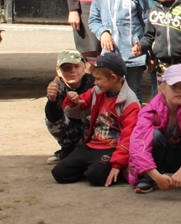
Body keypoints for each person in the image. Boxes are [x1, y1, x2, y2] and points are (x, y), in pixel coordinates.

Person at [51, 53, 140, 187]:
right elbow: (75, 112)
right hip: (92, 144)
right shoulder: (97, 91)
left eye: (98, 79)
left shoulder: (130, 102)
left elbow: (129, 137)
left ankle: (114, 170)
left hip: (112, 148)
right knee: (59, 173)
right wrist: (73, 100)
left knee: (96, 177)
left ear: (113, 78)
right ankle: (92, 167)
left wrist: (117, 165)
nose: (95, 82)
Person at [128, 64, 181, 193]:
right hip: (158, 161)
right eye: (174, 86)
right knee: (154, 135)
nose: (179, 91)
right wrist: (155, 175)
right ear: (163, 88)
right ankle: (147, 178)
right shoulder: (149, 111)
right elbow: (137, 145)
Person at [88, 0, 149, 102]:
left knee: (134, 91)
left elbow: (147, 23)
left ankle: (135, 124)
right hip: (109, 56)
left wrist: (144, 47)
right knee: (110, 90)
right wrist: (103, 33)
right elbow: (93, 20)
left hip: (133, 55)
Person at [132, 0, 181, 80]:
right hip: (163, 65)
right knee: (165, 95)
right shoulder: (154, 11)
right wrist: (141, 46)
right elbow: (149, 36)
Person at [44, 49, 95, 164]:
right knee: (50, 121)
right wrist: (52, 100)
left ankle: (89, 149)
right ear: (58, 71)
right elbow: (53, 118)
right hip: (71, 128)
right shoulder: (57, 86)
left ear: (84, 67)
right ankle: (68, 149)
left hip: (94, 133)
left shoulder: (94, 83)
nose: (72, 71)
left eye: (76, 66)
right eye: (66, 68)